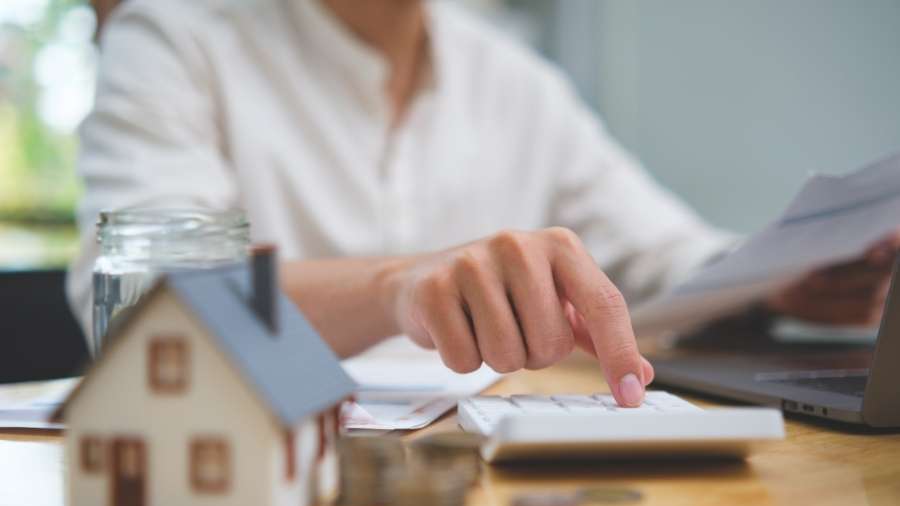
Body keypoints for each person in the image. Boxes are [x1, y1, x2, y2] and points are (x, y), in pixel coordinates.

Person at [67, 0, 898, 408]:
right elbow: (139, 298)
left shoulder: (512, 77)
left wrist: (779, 277)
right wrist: (395, 285)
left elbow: (659, 252)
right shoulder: (177, 35)